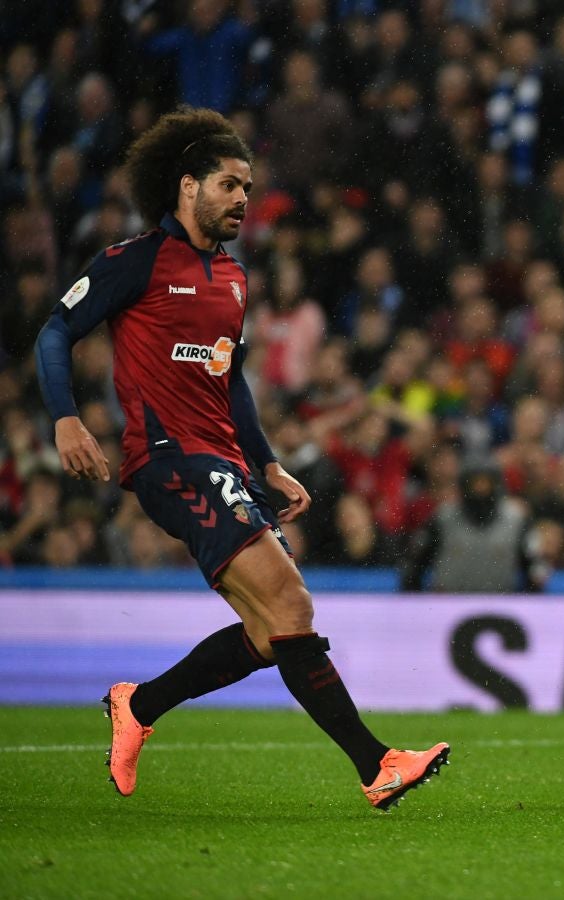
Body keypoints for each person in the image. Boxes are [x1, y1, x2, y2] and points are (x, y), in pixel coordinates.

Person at [32, 107, 448, 811]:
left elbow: (231, 378)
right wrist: (67, 419)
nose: (242, 200)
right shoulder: (135, 261)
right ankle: (377, 764)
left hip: (222, 461)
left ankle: (140, 704)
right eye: (229, 185)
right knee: (290, 600)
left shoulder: (232, 277)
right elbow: (54, 331)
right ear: (187, 186)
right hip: (170, 460)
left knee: (271, 629)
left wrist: (270, 463)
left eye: (248, 188)